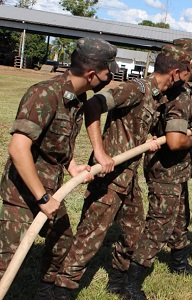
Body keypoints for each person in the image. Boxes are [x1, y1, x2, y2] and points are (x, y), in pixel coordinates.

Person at [51, 41, 192, 300]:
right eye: (187, 71)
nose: (189, 75)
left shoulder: (157, 95)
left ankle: (118, 282)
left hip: (128, 177)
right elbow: (93, 105)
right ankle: (60, 291)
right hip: (108, 179)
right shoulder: (137, 89)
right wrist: (99, 151)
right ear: (176, 73)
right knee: (89, 239)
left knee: (133, 235)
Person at [0, 37, 119, 300]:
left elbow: (56, 143)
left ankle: (45, 295)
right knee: (7, 261)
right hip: (23, 193)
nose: (110, 76)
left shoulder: (76, 99)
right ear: (91, 74)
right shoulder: (44, 94)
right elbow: (18, 149)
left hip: (50, 190)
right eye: (107, 71)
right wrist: (41, 198)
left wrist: (72, 166)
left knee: (62, 244)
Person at [121, 38, 192, 299]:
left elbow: (186, 106)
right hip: (166, 169)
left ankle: (179, 263)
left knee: (181, 215)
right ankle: (131, 284)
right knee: (159, 224)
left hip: (177, 169)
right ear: (190, 62)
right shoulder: (174, 90)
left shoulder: (176, 86)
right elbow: (174, 141)